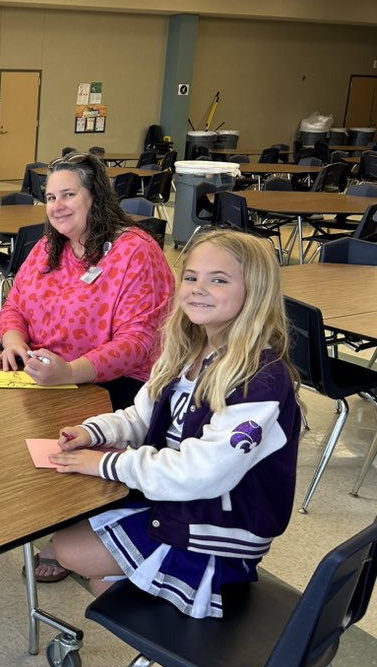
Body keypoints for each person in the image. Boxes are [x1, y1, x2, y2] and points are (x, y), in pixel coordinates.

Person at [43, 229, 301, 619]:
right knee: (75, 534)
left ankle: (165, 603)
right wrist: (95, 432)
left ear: (256, 292)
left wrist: (104, 463)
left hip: (220, 531)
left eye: (218, 279)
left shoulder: (260, 378)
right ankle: (135, 588)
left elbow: (201, 474)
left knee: (68, 548)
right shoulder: (188, 351)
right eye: (192, 277)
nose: (198, 288)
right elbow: (141, 414)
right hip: (183, 496)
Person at [0, 152, 174, 410]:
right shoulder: (49, 246)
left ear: (96, 198)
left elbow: (137, 342)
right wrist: (14, 344)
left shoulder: (136, 251)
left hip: (111, 384)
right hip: (41, 372)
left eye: (69, 195)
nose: (57, 207)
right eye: (51, 198)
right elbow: (14, 306)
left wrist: (68, 372)